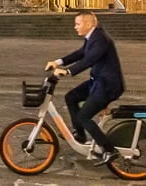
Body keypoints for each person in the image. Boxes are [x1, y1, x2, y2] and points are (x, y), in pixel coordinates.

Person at [46, 11, 125, 166]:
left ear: (88, 24)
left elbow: (90, 59)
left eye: (78, 23)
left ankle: (109, 149)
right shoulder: (93, 37)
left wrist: (68, 71)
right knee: (71, 97)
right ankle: (80, 135)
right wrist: (58, 62)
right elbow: (81, 53)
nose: (75, 27)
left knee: (84, 116)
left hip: (107, 85)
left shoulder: (100, 38)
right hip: (97, 82)